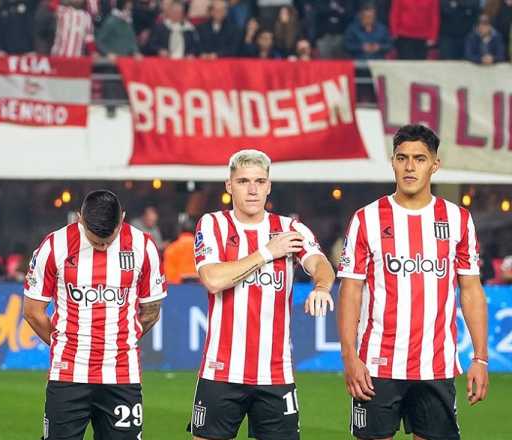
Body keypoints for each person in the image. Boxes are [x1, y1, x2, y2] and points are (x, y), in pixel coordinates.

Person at [338, 124, 490, 440]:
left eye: (419, 159)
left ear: (435, 164)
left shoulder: (457, 219)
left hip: (435, 366)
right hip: (377, 366)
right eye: (402, 157)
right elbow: (351, 290)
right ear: (392, 161)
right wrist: (350, 356)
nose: (410, 167)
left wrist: (479, 357)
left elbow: (471, 290)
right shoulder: (366, 218)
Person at [187, 149, 336, 440]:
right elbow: (213, 279)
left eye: (259, 181)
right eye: (243, 181)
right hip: (221, 371)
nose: (253, 189)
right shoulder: (213, 224)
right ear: (229, 186)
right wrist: (268, 252)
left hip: (276, 375)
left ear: (269, 186)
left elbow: (320, 264)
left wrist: (321, 286)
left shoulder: (290, 229)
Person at [23, 190, 166, 439]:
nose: (102, 246)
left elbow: (151, 310)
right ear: (80, 219)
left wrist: (122, 342)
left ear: (122, 219)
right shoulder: (55, 246)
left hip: (122, 375)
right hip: (68, 374)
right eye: (95, 240)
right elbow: (33, 311)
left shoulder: (143, 247)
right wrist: (66, 344)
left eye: (108, 239)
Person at [163, 218, 198, 284]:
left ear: (179, 231)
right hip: (202, 290)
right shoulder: (203, 248)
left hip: (178, 290)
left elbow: (169, 276)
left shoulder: (171, 248)